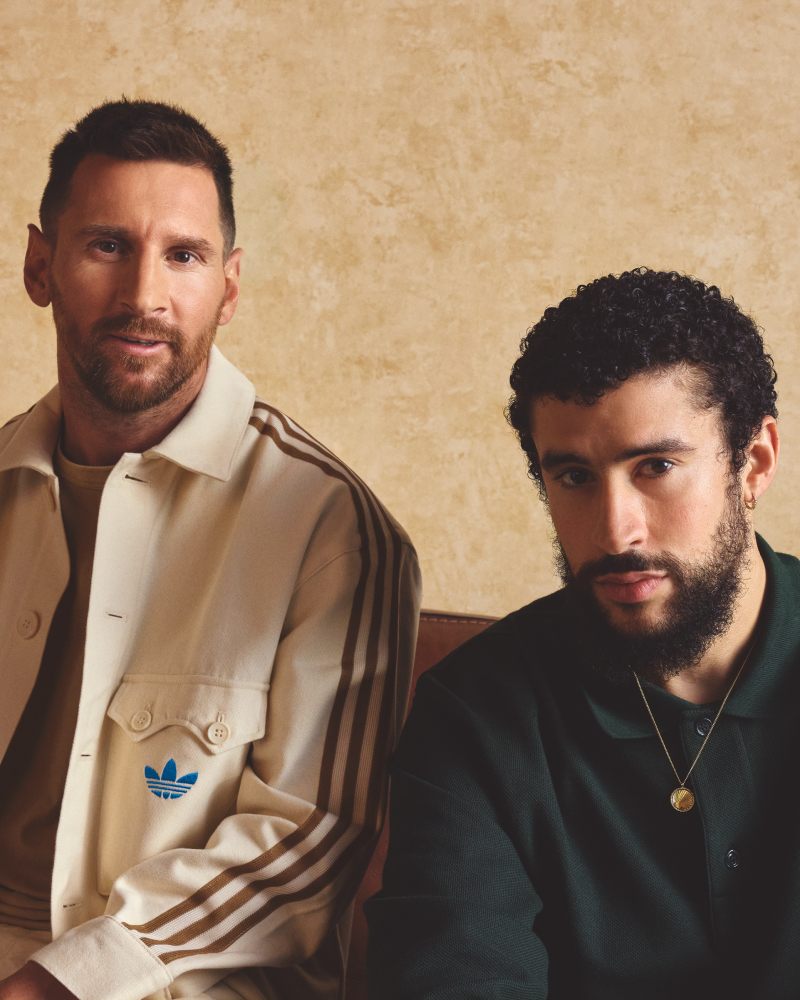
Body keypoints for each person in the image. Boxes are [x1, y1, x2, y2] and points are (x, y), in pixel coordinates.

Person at [0, 99, 420, 1000]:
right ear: (41, 266)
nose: (143, 295)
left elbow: (309, 844)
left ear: (228, 288)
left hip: (178, 980)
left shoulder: (333, 529)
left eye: (183, 256)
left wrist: (50, 984)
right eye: (107, 245)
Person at [367, 267, 799, 999]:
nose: (615, 530)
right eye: (573, 477)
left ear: (753, 463)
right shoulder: (472, 713)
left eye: (656, 466)